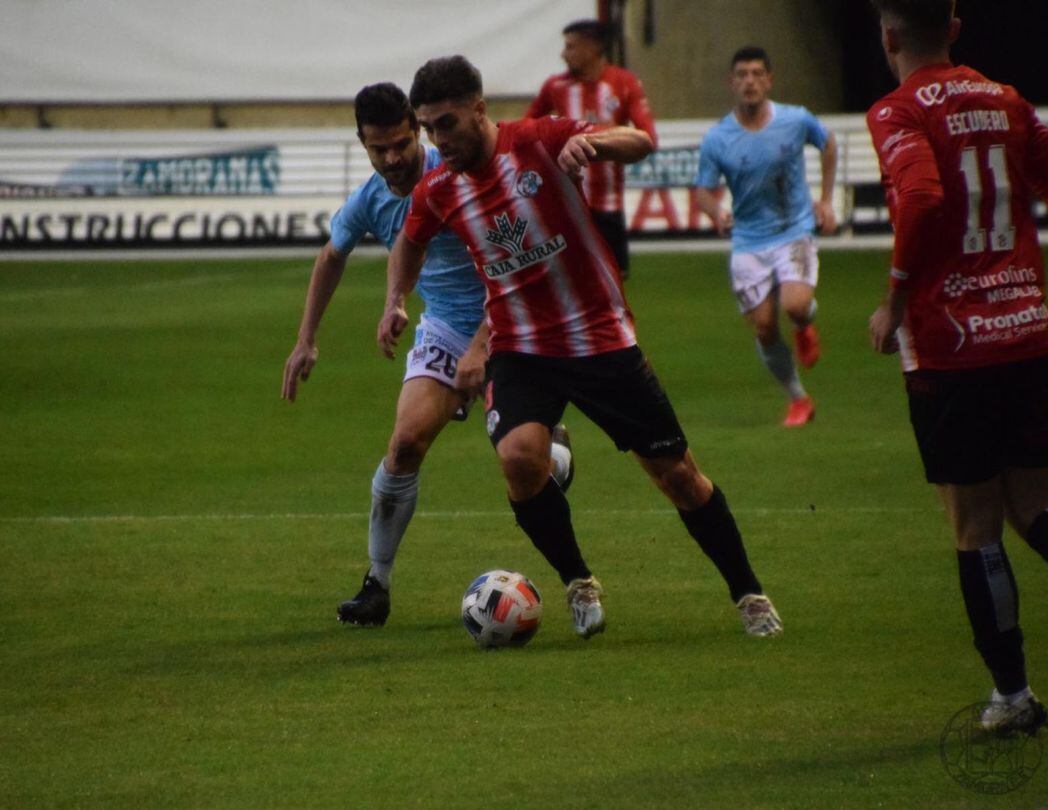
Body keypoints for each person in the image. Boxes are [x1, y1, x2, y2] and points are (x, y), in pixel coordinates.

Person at [380, 55, 782, 639]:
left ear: (479, 109)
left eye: (446, 124)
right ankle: (578, 581)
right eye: (429, 128)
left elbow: (640, 140)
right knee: (519, 458)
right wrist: (396, 297)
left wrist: (595, 147)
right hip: (520, 348)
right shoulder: (440, 188)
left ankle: (748, 591)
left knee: (678, 477)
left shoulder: (539, 140)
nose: (438, 140)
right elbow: (409, 241)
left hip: (599, 340)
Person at [280, 82, 574, 627]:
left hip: (510, 318)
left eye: (400, 144)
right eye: (378, 149)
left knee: (533, 463)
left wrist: (485, 342)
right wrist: (306, 340)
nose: (392, 158)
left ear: (417, 131)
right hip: (442, 327)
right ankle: (377, 584)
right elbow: (330, 256)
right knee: (406, 442)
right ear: (363, 144)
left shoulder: (460, 169)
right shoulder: (370, 197)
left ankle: (551, 439)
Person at [866, 0, 1048, 735]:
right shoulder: (1008, 101)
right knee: (1037, 510)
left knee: (976, 529)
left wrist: (894, 299)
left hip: (952, 348)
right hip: (1026, 334)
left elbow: (921, 195)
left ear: (888, 35)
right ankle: (1012, 697)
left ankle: (1013, 697)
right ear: (954, 28)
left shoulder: (897, 111)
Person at [693, 46, 838, 427]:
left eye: (757, 74)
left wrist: (825, 200)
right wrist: (716, 212)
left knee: (794, 304)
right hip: (748, 241)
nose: (750, 81)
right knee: (764, 326)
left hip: (794, 230)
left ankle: (805, 325)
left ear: (769, 80)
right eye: (742, 74)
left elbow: (829, 144)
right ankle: (799, 399)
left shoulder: (795, 120)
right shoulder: (718, 138)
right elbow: (703, 191)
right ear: (731, 83)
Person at [525, 19, 657, 280]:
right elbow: (526, 130)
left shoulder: (624, 83)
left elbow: (647, 136)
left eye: (571, 47)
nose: (564, 54)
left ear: (594, 47)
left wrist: (604, 141)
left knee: (613, 284)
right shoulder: (556, 87)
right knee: (571, 282)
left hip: (608, 205)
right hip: (567, 203)